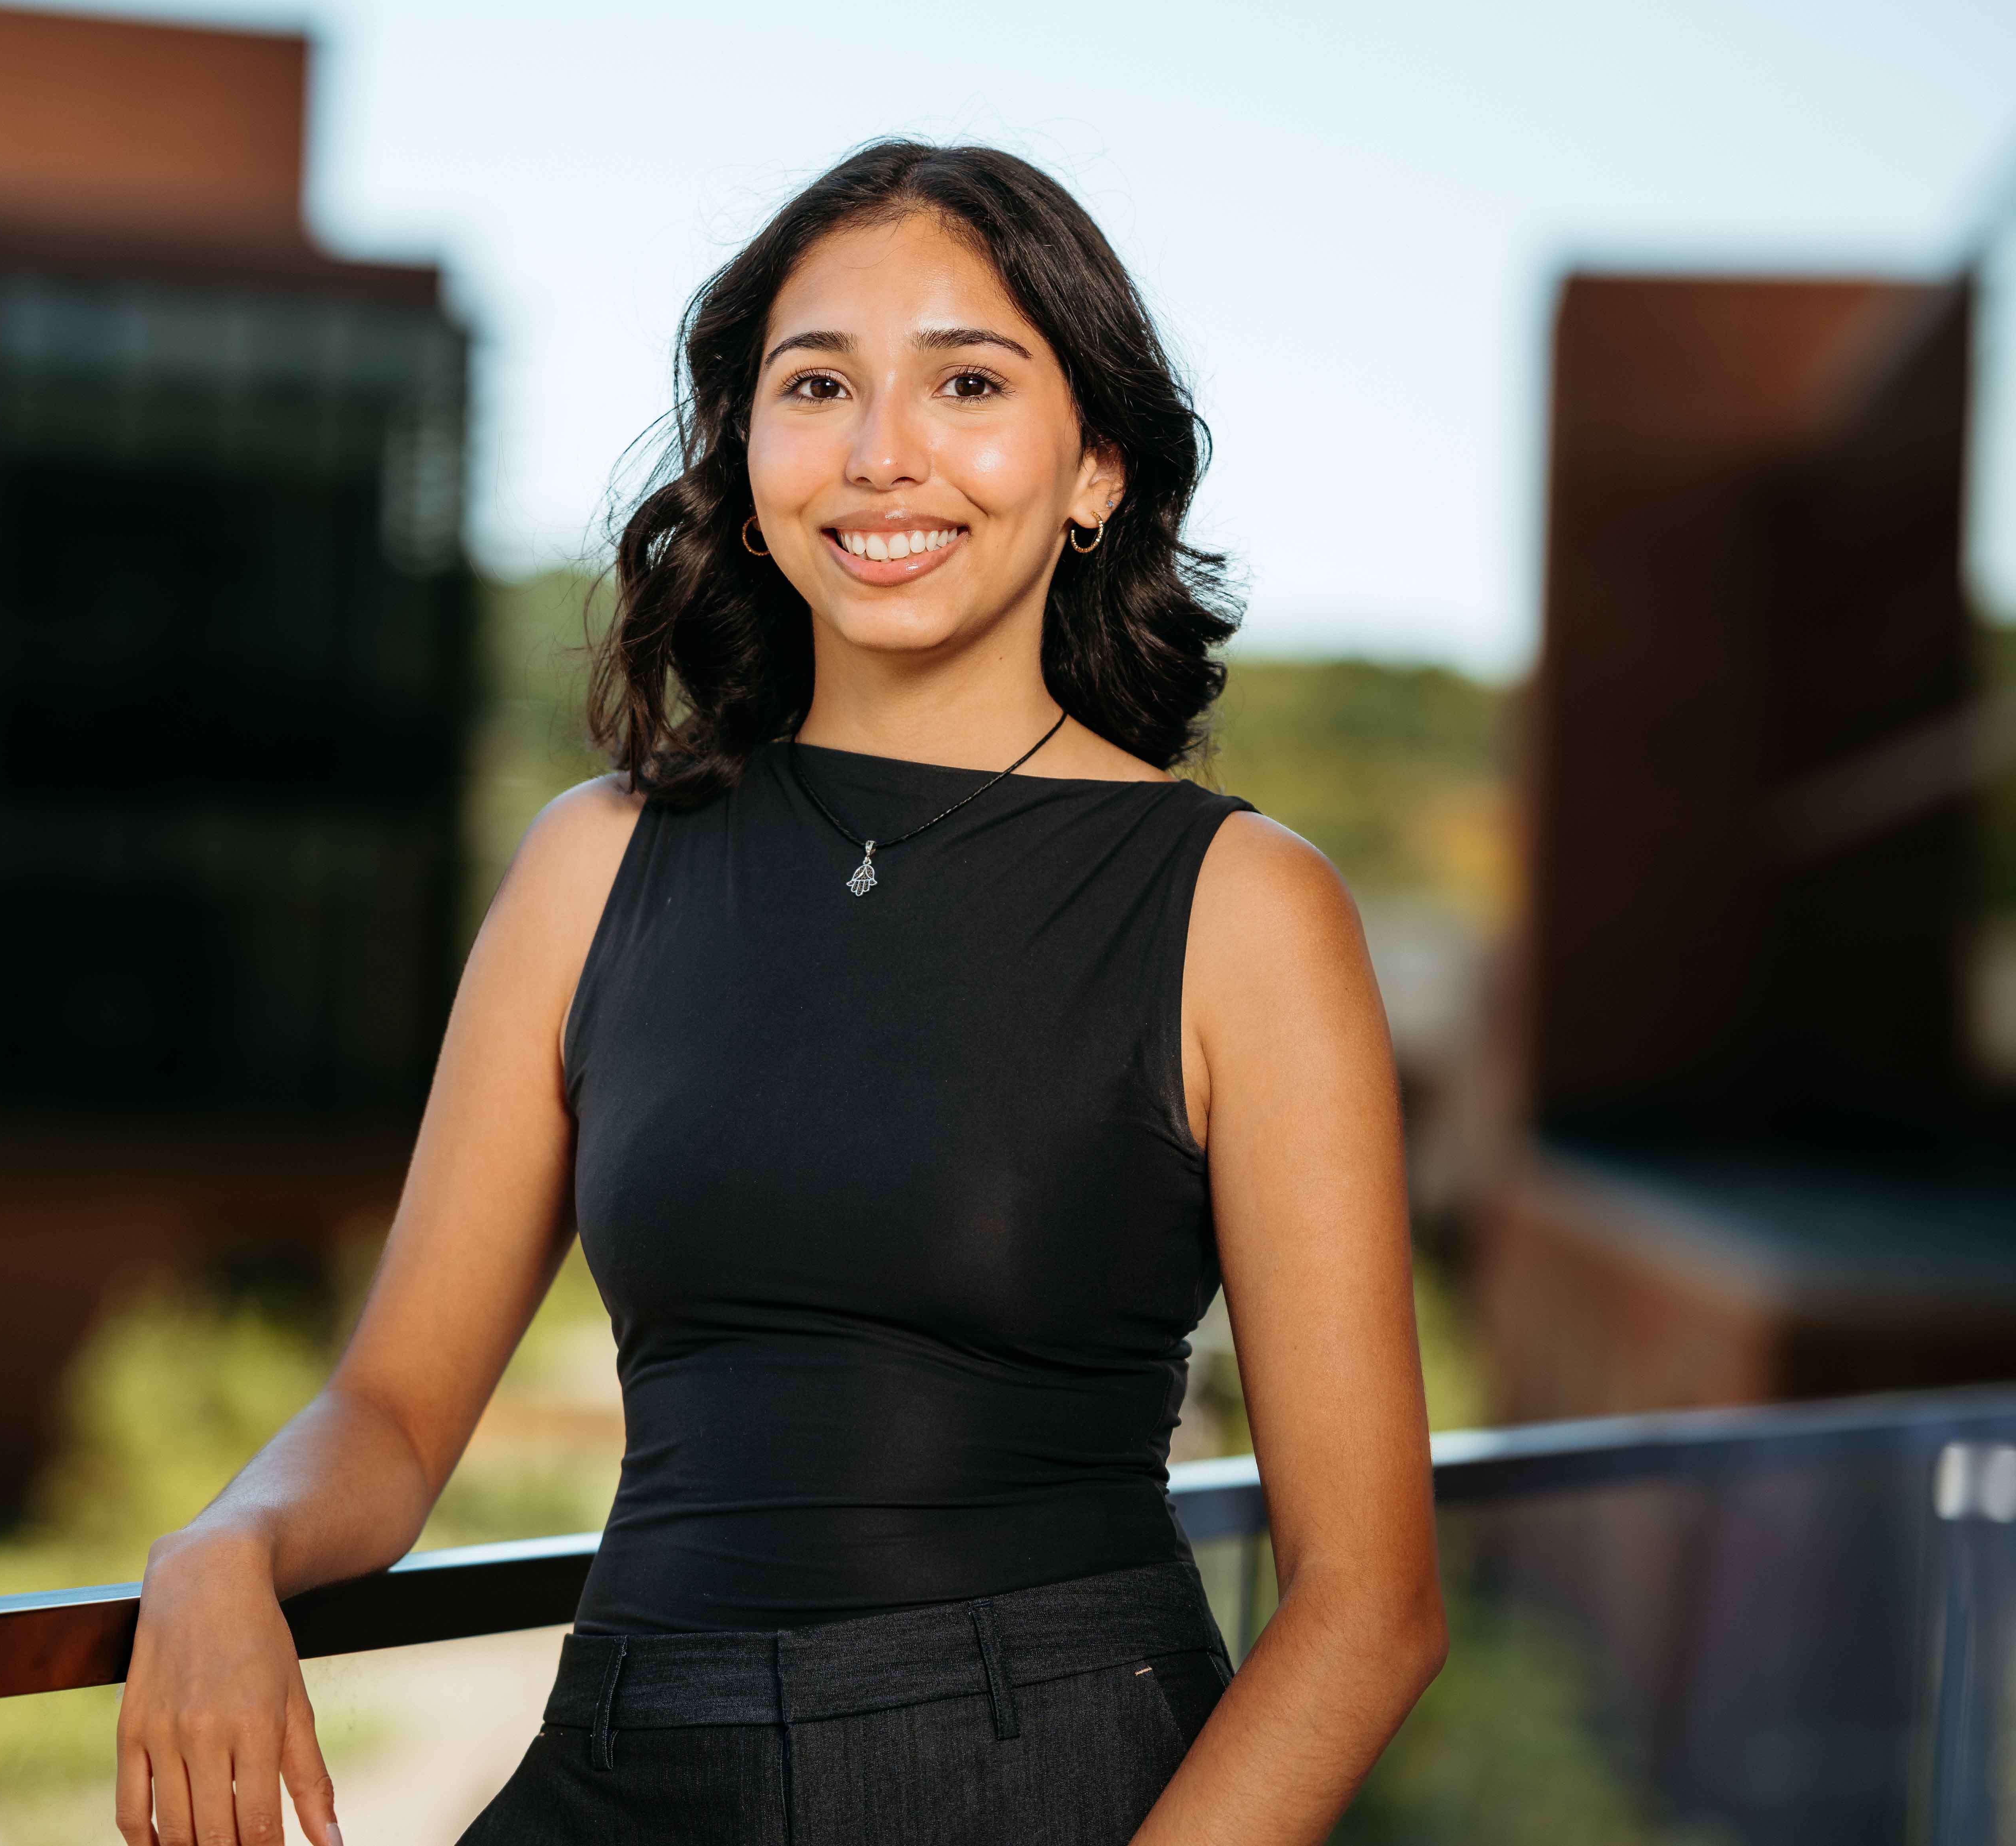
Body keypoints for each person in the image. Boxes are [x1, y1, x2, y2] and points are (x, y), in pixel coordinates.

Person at [114, 140, 1443, 1846]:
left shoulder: (1244, 908)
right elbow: (387, 1408)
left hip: (1039, 1772)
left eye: (969, 380)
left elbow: (1371, 1603)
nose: (884, 452)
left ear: (1096, 465)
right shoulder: (594, 867)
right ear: (747, 460)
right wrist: (225, 1543)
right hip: (625, 1743)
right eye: (817, 384)